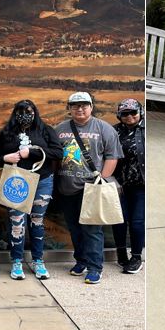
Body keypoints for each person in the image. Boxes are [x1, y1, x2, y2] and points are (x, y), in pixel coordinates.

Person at [55, 91, 122, 285]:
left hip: (91, 189)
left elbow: (112, 156)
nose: (80, 108)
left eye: (84, 105)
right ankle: (81, 261)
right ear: (69, 108)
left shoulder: (104, 128)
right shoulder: (60, 129)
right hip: (67, 188)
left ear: (91, 107)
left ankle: (95, 267)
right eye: (75, 105)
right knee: (74, 228)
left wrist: (102, 180)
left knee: (92, 229)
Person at [0, 100, 62, 281]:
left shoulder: (45, 130)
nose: (24, 114)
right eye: (20, 111)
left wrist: (32, 152)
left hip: (43, 181)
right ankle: (16, 261)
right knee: (17, 221)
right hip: (17, 182)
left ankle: (38, 260)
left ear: (35, 112)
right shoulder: (7, 133)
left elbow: (57, 153)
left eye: (29, 111)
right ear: (14, 113)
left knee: (37, 221)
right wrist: (5, 158)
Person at [112, 98, 145, 274]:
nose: (130, 116)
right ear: (119, 115)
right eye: (125, 113)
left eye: (133, 112)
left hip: (141, 184)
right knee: (119, 219)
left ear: (140, 112)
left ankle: (137, 256)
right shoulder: (113, 131)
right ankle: (121, 252)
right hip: (118, 183)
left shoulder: (146, 130)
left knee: (137, 222)